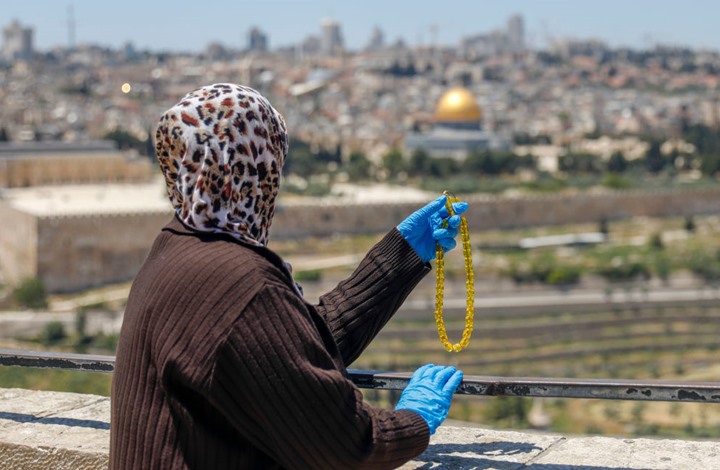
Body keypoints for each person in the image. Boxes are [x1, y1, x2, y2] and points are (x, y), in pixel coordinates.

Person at [110, 83, 466, 469]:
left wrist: (401, 255)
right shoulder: (241, 283)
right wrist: (415, 418)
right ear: (254, 172)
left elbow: (285, 351)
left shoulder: (177, 249)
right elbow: (344, 445)